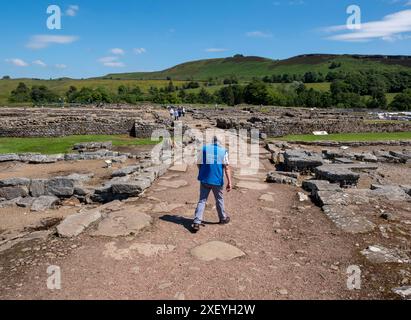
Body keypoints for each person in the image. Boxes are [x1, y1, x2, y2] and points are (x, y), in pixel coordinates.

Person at [192, 136, 232, 233]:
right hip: (217, 180)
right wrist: (229, 182)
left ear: (212, 141)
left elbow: (198, 163)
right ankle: (222, 218)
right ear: (220, 142)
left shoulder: (204, 149)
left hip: (205, 179)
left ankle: (197, 222)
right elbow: (226, 168)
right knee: (219, 199)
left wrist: (202, 171)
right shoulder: (223, 151)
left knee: (202, 200)